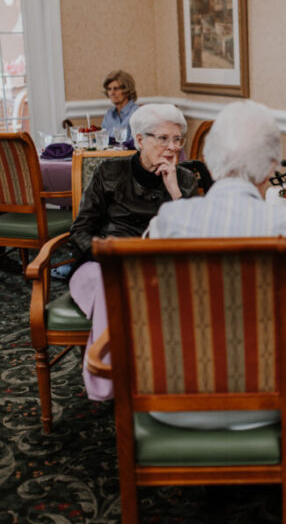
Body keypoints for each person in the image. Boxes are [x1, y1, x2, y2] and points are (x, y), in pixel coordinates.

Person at [146, 99, 286, 430]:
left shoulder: (169, 220)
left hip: (173, 399)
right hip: (266, 400)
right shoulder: (285, 224)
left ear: (208, 160)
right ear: (270, 169)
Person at [70, 103, 198, 400]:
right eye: (163, 138)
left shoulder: (186, 181)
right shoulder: (110, 172)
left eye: (178, 139)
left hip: (160, 270)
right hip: (103, 263)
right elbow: (80, 231)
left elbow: (196, 241)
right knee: (111, 284)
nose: (172, 148)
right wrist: (110, 255)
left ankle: (162, 378)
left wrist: (176, 193)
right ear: (139, 140)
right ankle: (108, 379)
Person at [100, 69, 139, 143]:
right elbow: (102, 141)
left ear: (127, 90)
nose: (112, 93)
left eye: (116, 88)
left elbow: (135, 147)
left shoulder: (136, 113)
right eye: (109, 89)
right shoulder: (109, 114)